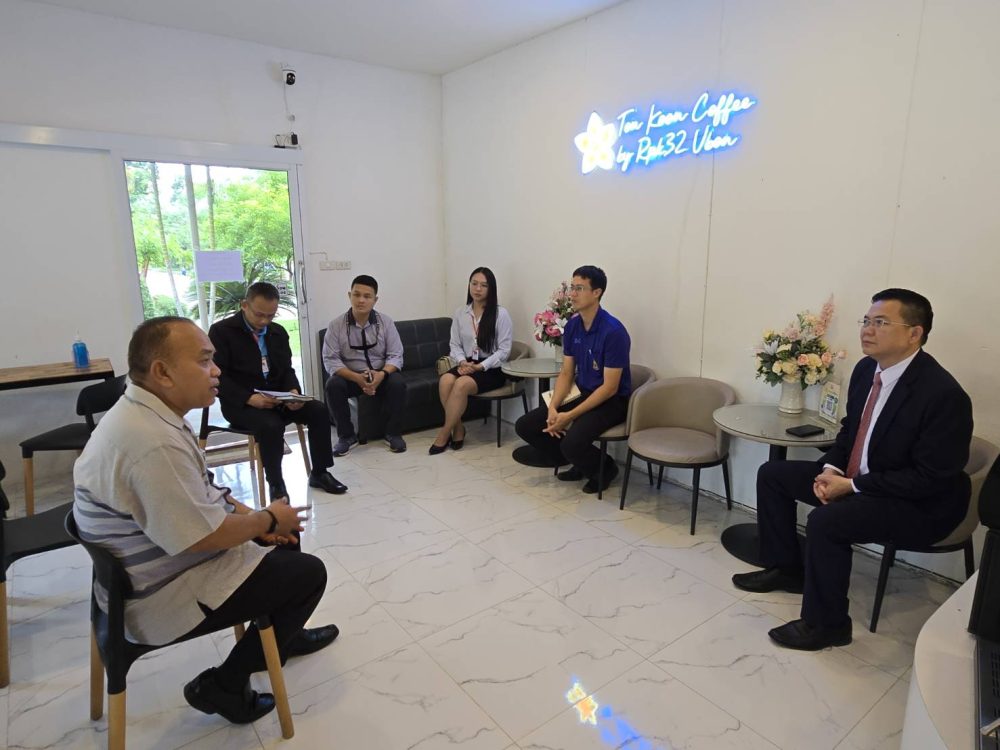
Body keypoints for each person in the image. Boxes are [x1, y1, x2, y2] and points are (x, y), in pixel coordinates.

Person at [73, 317, 339, 725]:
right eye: (203, 361)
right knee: (308, 574)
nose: (216, 371)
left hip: (148, 563)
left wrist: (263, 521)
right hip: (159, 592)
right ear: (162, 372)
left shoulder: (148, 413)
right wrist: (266, 519)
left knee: (286, 535)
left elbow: (206, 490)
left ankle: (285, 635)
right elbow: (202, 536)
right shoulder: (152, 442)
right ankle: (225, 685)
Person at [732, 289, 973, 650]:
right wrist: (831, 469)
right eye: (866, 320)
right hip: (861, 478)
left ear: (914, 333)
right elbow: (850, 431)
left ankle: (827, 625)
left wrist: (852, 486)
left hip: (918, 504)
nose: (867, 330)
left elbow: (929, 478)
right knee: (774, 475)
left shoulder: (943, 395)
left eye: (881, 322)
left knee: (827, 522)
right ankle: (787, 568)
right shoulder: (865, 370)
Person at [209, 282, 347, 501]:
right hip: (241, 404)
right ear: (244, 305)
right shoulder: (222, 332)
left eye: (270, 316)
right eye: (259, 315)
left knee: (318, 410)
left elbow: (286, 370)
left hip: (277, 399)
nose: (264, 321)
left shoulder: (277, 332)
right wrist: (249, 398)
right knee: (271, 425)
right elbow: (218, 377)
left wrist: (293, 391)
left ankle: (320, 472)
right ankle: (276, 484)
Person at [514, 265, 631, 494]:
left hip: (612, 400)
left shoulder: (613, 332)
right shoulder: (573, 326)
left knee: (572, 441)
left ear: (596, 293)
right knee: (527, 426)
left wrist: (569, 416)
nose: (573, 294)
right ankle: (577, 460)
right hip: (582, 391)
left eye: (579, 288)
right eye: (572, 288)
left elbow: (609, 387)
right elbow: (567, 373)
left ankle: (604, 468)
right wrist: (553, 407)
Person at [430, 267, 513, 454]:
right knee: (445, 380)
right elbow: (454, 344)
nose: (478, 289)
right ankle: (458, 428)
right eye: (474, 284)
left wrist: (481, 366)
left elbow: (504, 351)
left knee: (461, 385)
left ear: (491, 289)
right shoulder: (461, 313)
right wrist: (462, 362)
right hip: (467, 363)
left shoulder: (500, 314)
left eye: (483, 285)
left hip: (491, 367)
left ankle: (444, 433)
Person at [323, 274, 407, 454]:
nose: (361, 300)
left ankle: (393, 434)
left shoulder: (386, 322)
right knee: (333, 385)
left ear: (375, 300)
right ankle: (346, 436)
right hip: (351, 376)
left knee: (398, 382)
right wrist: (356, 377)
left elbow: (396, 355)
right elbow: (330, 359)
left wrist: (382, 374)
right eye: (356, 294)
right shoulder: (336, 325)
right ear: (349, 296)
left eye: (367, 296)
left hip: (380, 374)